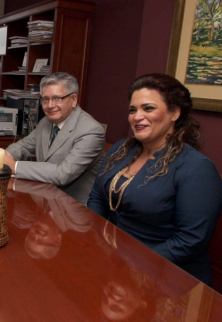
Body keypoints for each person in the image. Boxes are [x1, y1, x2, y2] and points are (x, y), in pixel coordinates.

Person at [88, 73, 222, 285]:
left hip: (165, 278)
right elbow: (97, 196)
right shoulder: (120, 149)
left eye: (148, 108)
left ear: (174, 113)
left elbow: (189, 241)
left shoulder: (196, 168)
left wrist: (130, 263)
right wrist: (94, 240)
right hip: (113, 261)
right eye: (133, 110)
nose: (137, 116)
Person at [4, 72, 105, 205]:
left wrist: (14, 166)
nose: (50, 105)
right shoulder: (46, 122)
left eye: (57, 98)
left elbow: (63, 174)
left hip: (75, 210)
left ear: (73, 100)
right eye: (45, 99)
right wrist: (4, 156)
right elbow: (23, 146)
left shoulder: (91, 131)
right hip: (44, 199)